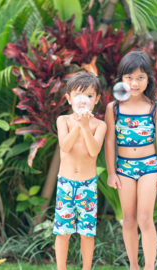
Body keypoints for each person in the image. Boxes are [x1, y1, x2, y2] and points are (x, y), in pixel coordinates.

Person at [105, 51, 157, 270]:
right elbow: (110, 142)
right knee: (129, 219)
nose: (134, 82)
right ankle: (133, 266)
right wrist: (112, 172)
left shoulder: (155, 107)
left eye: (141, 77)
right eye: (129, 77)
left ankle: (149, 267)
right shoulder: (113, 108)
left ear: (148, 79)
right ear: (121, 79)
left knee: (144, 218)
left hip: (149, 167)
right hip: (124, 168)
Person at [53, 72, 107, 270]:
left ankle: (86, 268)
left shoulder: (99, 125)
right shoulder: (63, 121)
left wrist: (86, 127)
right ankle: (61, 268)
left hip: (88, 185)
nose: (83, 100)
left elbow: (94, 152)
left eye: (90, 96)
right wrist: (78, 125)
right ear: (68, 98)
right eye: (78, 95)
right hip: (66, 183)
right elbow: (65, 147)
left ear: (97, 99)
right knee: (63, 231)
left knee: (87, 232)